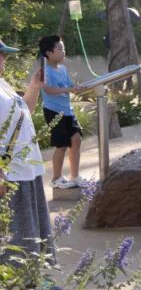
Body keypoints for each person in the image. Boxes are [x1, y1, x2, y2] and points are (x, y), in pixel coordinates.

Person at [0, 38, 53, 261]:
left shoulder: (3, 84)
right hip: (9, 173)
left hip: (26, 168)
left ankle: (37, 276)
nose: (4, 59)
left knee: (33, 228)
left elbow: (24, 112)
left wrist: (34, 87)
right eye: (1, 54)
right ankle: (18, 283)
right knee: (16, 232)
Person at [38, 36, 87, 190]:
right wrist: (69, 89)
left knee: (76, 139)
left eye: (63, 48)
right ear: (48, 53)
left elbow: (70, 86)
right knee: (62, 145)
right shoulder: (45, 71)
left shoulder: (63, 69)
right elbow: (49, 90)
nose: (63, 52)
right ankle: (56, 179)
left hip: (68, 111)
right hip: (54, 112)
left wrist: (78, 88)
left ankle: (75, 176)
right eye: (59, 48)